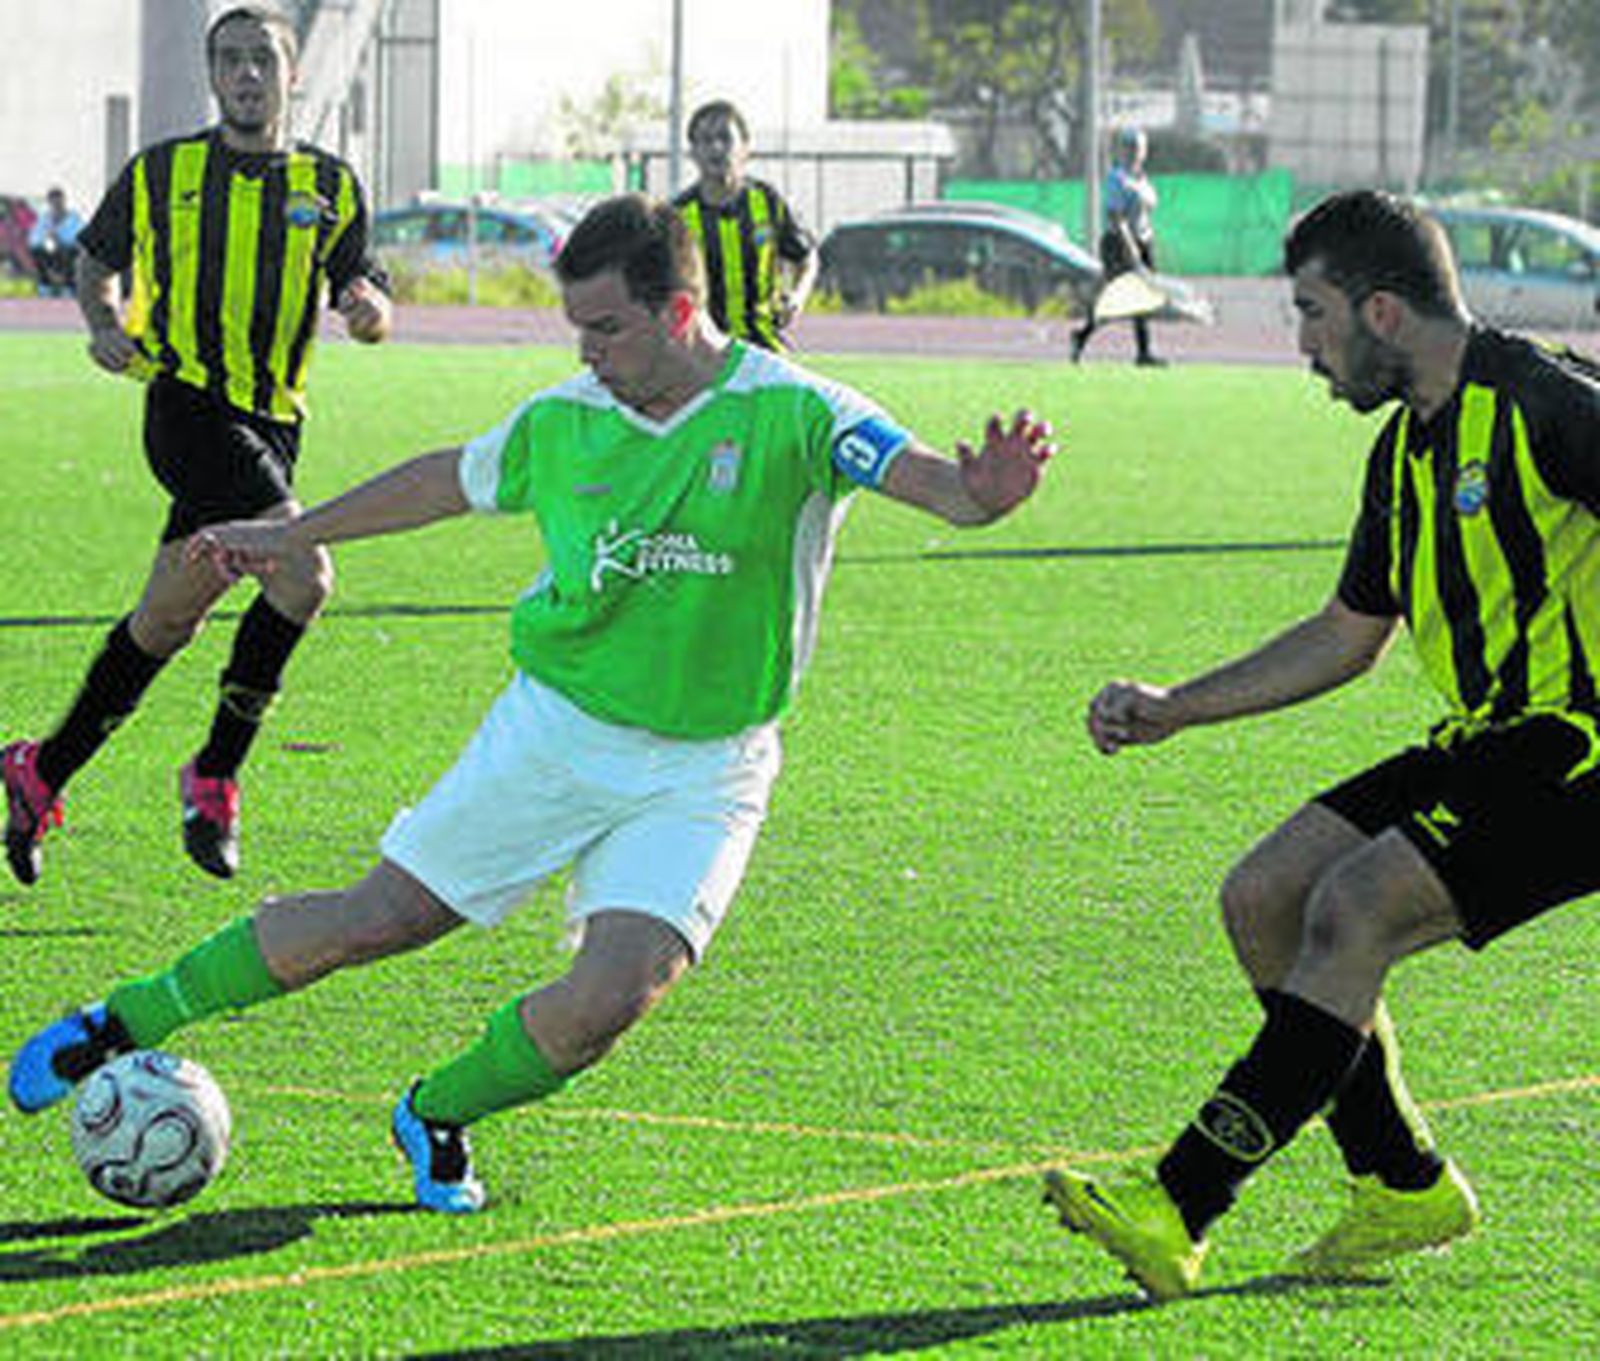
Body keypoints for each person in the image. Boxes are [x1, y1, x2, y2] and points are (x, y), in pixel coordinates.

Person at [7, 193, 1054, 1214]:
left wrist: (984, 495)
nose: (586, 352)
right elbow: (438, 482)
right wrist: (289, 534)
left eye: (604, 328)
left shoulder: (798, 410)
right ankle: (120, 1019)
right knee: (377, 920)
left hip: (709, 763)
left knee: (614, 997)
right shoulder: (567, 419)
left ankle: (436, 1109)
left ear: (677, 314)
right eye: (575, 328)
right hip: (556, 729)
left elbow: (935, 484)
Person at [1040, 187, 1600, 1299]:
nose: (1302, 348)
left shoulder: (1542, 402)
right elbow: (1348, 636)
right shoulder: (1403, 453)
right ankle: (1401, 1180)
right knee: (1264, 894)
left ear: (1381, 312)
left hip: (1583, 749)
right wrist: (1174, 704)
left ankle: (1181, 1198)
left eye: (1310, 313)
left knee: (1356, 907)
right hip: (1488, 740)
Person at [2, 5, 391, 886]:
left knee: (166, 620)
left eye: (262, 60)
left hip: (275, 424)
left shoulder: (331, 186)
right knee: (306, 570)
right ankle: (216, 773)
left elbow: (363, 280)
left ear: (291, 76)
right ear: (213, 77)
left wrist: (370, 310)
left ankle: (41, 769)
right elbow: (93, 259)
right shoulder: (161, 171)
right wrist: (103, 322)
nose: (247, 75)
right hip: (184, 407)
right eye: (230, 61)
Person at [673, 99, 818, 351]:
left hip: (764, 345)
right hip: (702, 352)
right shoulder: (678, 215)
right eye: (706, 140)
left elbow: (807, 257)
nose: (716, 148)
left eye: (725, 138)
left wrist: (796, 298)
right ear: (693, 152)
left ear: (745, 148)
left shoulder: (767, 202)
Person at [1071, 127, 1166, 367]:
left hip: (1143, 240)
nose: (1135, 152)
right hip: (1119, 243)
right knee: (1118, 298)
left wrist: (1145, 241)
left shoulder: (1142, 179)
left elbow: (1146, 211)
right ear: (1122, 150)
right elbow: (1116, 216)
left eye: (1139, 148)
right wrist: (1130, 246)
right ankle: (1082, 335)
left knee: (1144, 297)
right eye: (1131, 147)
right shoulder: (1117, 178)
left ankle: (1144, 353)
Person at [27, 187, 82, 297]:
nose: (57, 206)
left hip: (67, 256)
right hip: (48, 258)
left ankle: (66, 285)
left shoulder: (74, 219)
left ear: (64, 201)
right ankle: (47, 285)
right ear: (49, 203)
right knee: (38, 252)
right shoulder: (43, 220)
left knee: (70, 252)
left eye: (59, 202)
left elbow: (80, 240)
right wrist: (46, 237)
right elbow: (33, 240)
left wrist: (60, 238)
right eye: (53, 203)